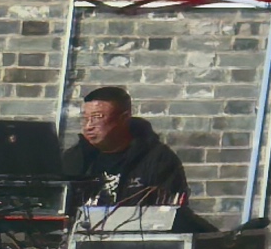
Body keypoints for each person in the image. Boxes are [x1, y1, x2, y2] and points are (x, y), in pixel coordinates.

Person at [65, 87, 192, 218]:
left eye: (97, 117)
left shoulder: (158, 159)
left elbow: (169, 213)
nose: (88, 126)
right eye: (85, 118)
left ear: (123, 118)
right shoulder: (74, 159)